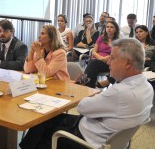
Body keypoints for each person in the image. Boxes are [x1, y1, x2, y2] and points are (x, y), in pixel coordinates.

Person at [20, 38, 153, 149]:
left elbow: (82, 107)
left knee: (41, 129)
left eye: (112, 58)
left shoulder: (119, 92)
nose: (108, 62)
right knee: (46, 119)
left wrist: (98, 102)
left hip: (84, 141)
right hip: (106, 136)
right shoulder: (147, 87)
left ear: (128, 63)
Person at [84, 21, 120, 88]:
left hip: (109, 62)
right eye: (107, 27)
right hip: (98, 60)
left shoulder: (119, 41)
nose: (109, 29)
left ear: (116, 29)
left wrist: (108, 57)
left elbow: (118, 54)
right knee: (93, 66)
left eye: (111, 27)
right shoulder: (101, 37)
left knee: (93, 64)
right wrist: (101, 58)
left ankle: (87, 85)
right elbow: (94, 52)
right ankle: (90, 86)